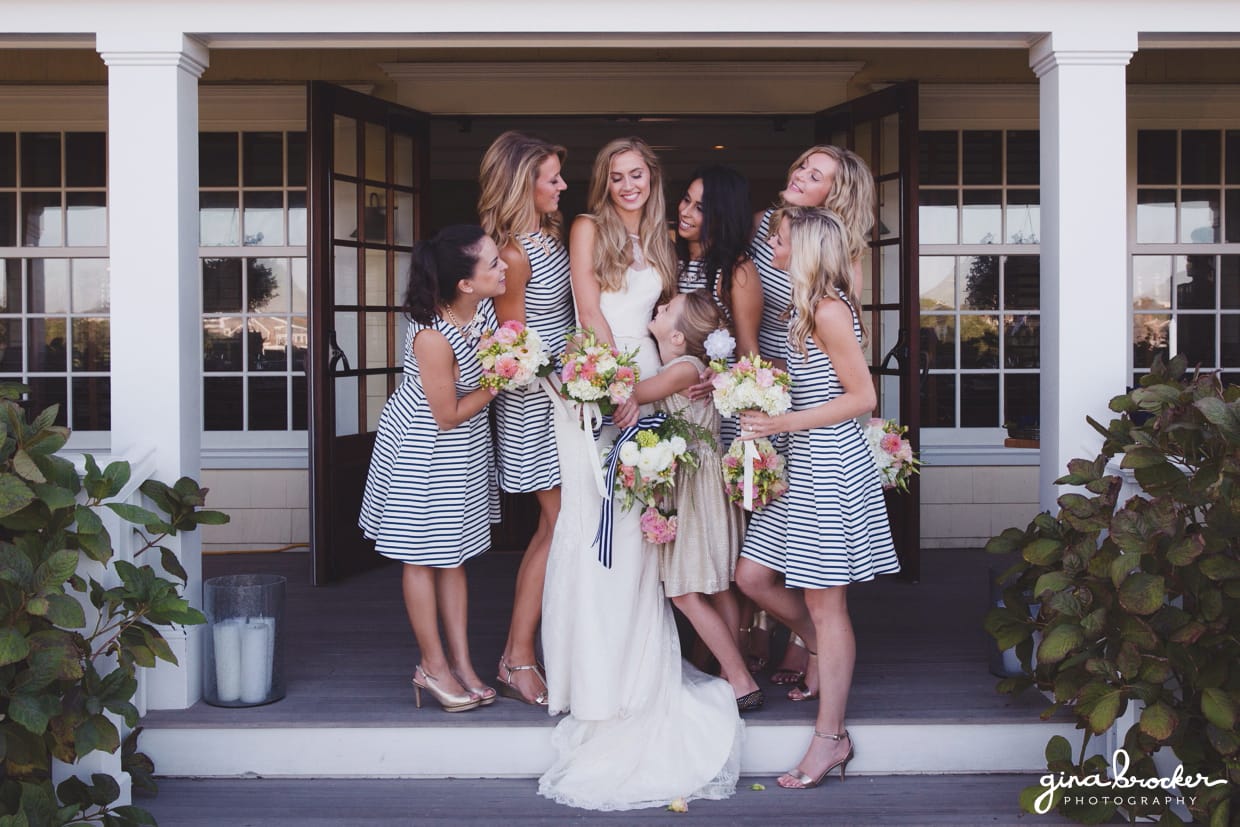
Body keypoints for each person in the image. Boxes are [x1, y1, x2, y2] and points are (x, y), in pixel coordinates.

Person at [539, 138, 742, 811]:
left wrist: (678, 380)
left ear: (652, 180)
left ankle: (637, 675)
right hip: (599, 386)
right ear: (604, 182)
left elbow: (674, 325)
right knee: (590, 521)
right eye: (617, 176)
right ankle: (592, 683)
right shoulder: (587, 227)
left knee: (636, 533)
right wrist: (612, 384)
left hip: (651, 394)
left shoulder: (662, 239)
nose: (628, 185)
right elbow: (589, 309)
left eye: (638, 176)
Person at [736, 206, 900, 789]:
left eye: (779, 240)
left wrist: (780, 425)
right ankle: (825, 650)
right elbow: (810, 379)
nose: (771, 247)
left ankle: (831, 737)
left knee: (829, 607)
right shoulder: (801, 308)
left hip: (829, 466)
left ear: (802, 249)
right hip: (801, 462)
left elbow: (862, 397)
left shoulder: (829, 309)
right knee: (752, 577)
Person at [357, 224, 507, 714]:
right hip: (423, 451)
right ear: (465, 282)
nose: (504, 267)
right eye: (493, 264)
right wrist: (503, 378)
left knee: (454, 554)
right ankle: (432, 665)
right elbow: (446, 416)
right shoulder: (431, 337)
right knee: (420, 555)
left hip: (463, 450)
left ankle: (462, 664)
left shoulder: (480, 310)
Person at [745, 145, 877, 693]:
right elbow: (742, 294)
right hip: (774, 387)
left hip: (814, 417)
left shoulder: (832, 290)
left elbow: (855, 380)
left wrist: (785, 420)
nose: (799, 175)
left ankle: (818, 656)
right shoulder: (762, 227)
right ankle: (817, 642)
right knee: (756, 571)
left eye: (815, 174)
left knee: (822, 582)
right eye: (800, 164)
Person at [612, 289, 759, 710]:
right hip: (700, 481)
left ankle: (740, 679)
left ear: (678, 337)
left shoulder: (682, 369)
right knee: (715, 586)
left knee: (683, 592)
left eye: (666, 310)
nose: (657, 307)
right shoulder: (689, 365)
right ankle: (730, 670)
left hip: (694, 485)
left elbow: (633, 394)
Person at [477, 131, 574, 706]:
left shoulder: (548, 239)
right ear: (522, 183)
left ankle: (534, 650)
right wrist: (571, 380)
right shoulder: (511, 252)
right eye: (552, 177)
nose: (562, 184)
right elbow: (516, 345)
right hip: (536, 404)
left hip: (570, 395)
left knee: (558, 526)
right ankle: (516, 656)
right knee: (559, 524)